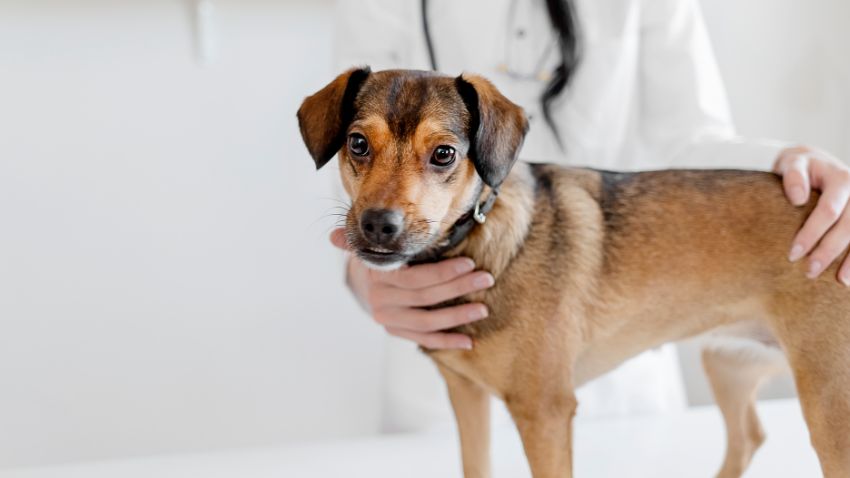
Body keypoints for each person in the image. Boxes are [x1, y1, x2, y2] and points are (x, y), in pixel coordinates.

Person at [325, 0, 850, 425]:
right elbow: (361, 173)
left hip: (619, 376)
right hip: (435, 382)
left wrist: (784, 165)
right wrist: (363, 278)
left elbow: (691, 140)